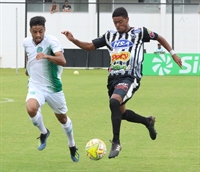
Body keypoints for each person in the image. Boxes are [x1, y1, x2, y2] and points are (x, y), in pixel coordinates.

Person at [61, 7, 182, 159]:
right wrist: (73, 40)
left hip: (130, 77)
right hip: (113, 79)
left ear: (127, 19)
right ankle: (148, 121)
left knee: (114, 102)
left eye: (120, 22)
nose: (118, 25)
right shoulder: (109, 35)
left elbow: (159, 38)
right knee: (121, 113)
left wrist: (173, 54)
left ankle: (116, 142)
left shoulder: (139, 32)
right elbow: (90, 47)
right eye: (115, 22)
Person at [23, 16, 79, 162]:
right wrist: (28, 69)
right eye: (34, 32)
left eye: (40, 31)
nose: (38, 35)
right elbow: (29, 57)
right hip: (36, 86)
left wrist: (47, 56)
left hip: (53, 88)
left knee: (62, 118)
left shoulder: (52, 41)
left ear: (44, 30)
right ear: (30, 30)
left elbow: (63, 61)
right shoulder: (26, 43)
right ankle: (44, 132)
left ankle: (72, 145)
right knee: (31, 108)